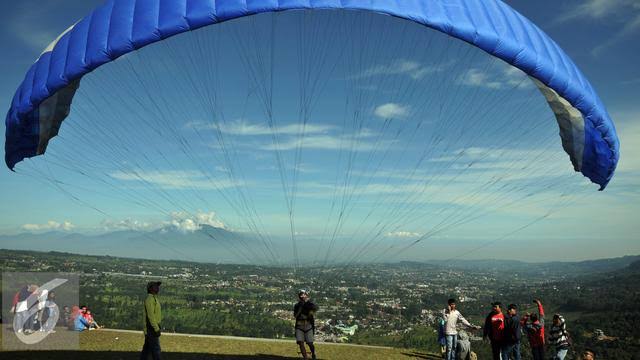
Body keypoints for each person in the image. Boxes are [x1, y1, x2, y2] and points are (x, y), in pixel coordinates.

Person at [293, 289, 318, 360]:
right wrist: (300, 309)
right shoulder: (297, 305)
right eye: (301, 295)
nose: (302, 296)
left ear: (306, 296)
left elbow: (315, 308)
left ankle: (313, 353)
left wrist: (309, 314)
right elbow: (295, 316)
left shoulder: (310, 304)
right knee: (301, 343)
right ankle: (305, 358)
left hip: (308, 326)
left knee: (310, 343)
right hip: (299, 326)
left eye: (304, 294)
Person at [141, 281, 162, 360]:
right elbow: (151, 316)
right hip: (151, 328)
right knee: (156, 350)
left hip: (152, 327)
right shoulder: (149, 299)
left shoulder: (153, 298)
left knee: (147, 349)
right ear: (151, 289)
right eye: (156, 286)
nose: (158, 288)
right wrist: (156, 328)